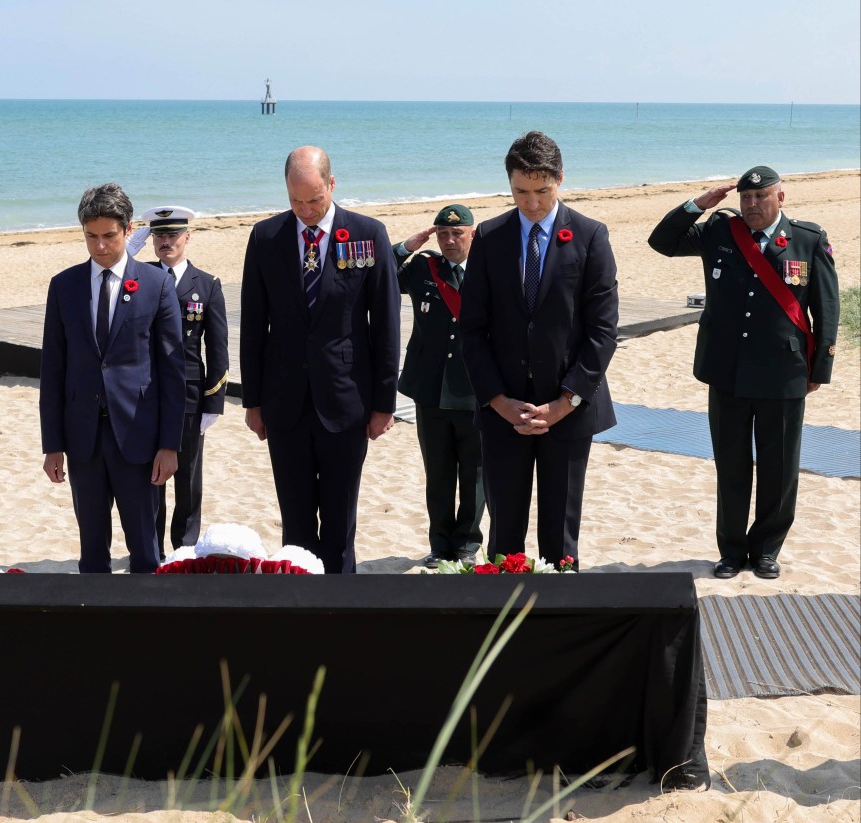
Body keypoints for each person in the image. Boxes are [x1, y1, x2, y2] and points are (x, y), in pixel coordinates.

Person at [648, 166, 839, 580]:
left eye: (761, 198)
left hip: (783, 372)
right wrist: (700, 204)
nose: (752, 205)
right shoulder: (719, 232)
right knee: (731, 465)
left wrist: (819, 368)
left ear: (780, 199)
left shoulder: (807, 240)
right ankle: (732, 550)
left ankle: (767, 549)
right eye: (746, 199)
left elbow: (826, 308)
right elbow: (661, 241)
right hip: (727, 371)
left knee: (780, 467)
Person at [460, 131, 619, 568]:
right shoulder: (489, 237)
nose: (531, 203)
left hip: (567, 411)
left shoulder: (590, 236)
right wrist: (498, 401)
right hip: (503, 411)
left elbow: (603, 332)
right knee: (504, 537)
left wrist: (564, 403)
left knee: (560, 538)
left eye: (542, 192)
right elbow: (471, 329)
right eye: (520, 192)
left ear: (560, 180)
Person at [239, 146, 401, 573]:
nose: (306, 210)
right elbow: (254, 325)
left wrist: (384, 404)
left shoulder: (368, 234)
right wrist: (252, 403)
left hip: (347, 403)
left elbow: (386, 324)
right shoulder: (266, 237)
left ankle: (342, 607)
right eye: (296, 201)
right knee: (295, 525)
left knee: (339, 523)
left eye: (314, 200)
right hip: (284, 402)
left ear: (332, 184)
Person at [39, 183, 186, 573]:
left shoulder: (156, 286)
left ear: (128, 229)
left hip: (139, 439)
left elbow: (174, 371)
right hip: (82, 439)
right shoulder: (64, 286)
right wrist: (52, 444)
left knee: (145, 550)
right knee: (91, 551)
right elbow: (52, 370)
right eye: (91, 236)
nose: (100, 246)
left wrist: (170, 445)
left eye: (108, 236)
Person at [132, 205, 229, 558]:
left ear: (187, 237)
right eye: (158, 236)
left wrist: (214, 401)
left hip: (189, 394)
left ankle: (184, 549)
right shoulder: (138, 276)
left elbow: (217, 348)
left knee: (187, 479)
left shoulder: (206, 284)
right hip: (147, 393)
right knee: (150, 476)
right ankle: (152, 548)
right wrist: (129, 250)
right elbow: (105, 278)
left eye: (173, 235)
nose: (166, 242)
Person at [393, 204, 485, 568]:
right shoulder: (422, 268)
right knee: (439, 473)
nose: (449, 240)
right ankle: (440, 544)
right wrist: (406, 246)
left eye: (457, 233)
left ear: (471, 234)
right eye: (442, 234)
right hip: (430, 389)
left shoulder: (488, 271)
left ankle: (466, 544)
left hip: (475, 388)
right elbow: (378, 272)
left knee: (475, 474)